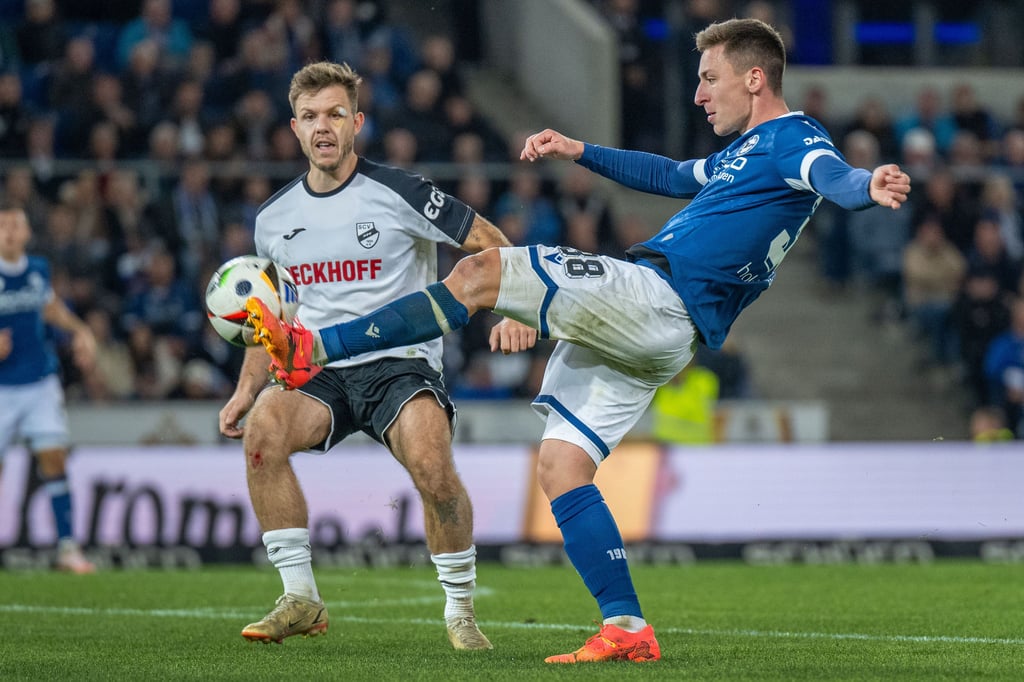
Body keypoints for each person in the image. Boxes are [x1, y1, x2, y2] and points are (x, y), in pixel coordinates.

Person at [246, 19, 911, 663]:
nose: (699, 94)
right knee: (561, 468)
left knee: (479, 271)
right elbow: (673, 177)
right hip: (660, 335)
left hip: (655, 296)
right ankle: (625, 626)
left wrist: (866, 184)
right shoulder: (742, 153)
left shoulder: (793, 137)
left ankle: (319, 347)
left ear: (756, 79)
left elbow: (832, 173)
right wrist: (578, 151)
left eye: (710, 79)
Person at [217, 60, 530, 648]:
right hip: (318, 368)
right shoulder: (273, 220)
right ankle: (301, 599)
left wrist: (513, 308)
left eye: (335, 114)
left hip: (402, 363)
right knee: (263, 430)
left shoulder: (402, 192)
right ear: (294, 129)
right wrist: (245, 388)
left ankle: (461, 611)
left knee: (434, 469)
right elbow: (271, 320)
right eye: (310, 117)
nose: (323, 127)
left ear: (357, 122)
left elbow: (490, 241)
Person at [0, 206, 97, 574]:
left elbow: (51, 308)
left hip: (40, 382)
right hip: (1, 387)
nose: (9, 231)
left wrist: (80, 331)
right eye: (3, 225)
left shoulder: (38, 269)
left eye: (15, 224)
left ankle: (67, 548)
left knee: (54, 459)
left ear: (26, 232)